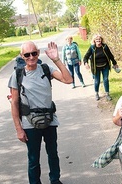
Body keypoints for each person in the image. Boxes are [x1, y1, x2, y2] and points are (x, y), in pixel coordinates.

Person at [8, 41, 73, 184]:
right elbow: (14, 103)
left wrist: (56, 59)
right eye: (27, 54)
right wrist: (19, 129)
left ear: (38, 53)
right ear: (22, 56)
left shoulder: (46, 69)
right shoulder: (17, 75)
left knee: (53, 154)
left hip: (50, 120)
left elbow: (68, 80)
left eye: (34, 53)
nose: (31, 57)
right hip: (29, 124)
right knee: (33, 159)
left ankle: (55, 180)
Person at [83, 34, 119, 101]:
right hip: (96, 67)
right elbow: (86, 57)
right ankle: (96, 94)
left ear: (101, 40)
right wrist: (86, 63)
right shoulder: (92, 48)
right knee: (97, 81)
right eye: (97, 40)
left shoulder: (105, 46)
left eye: (99, 39)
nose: (98, 41)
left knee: (106, 80)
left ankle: (107, 94)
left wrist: (114, 63)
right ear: (94, 41)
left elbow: (110, 55)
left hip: (105, 66)